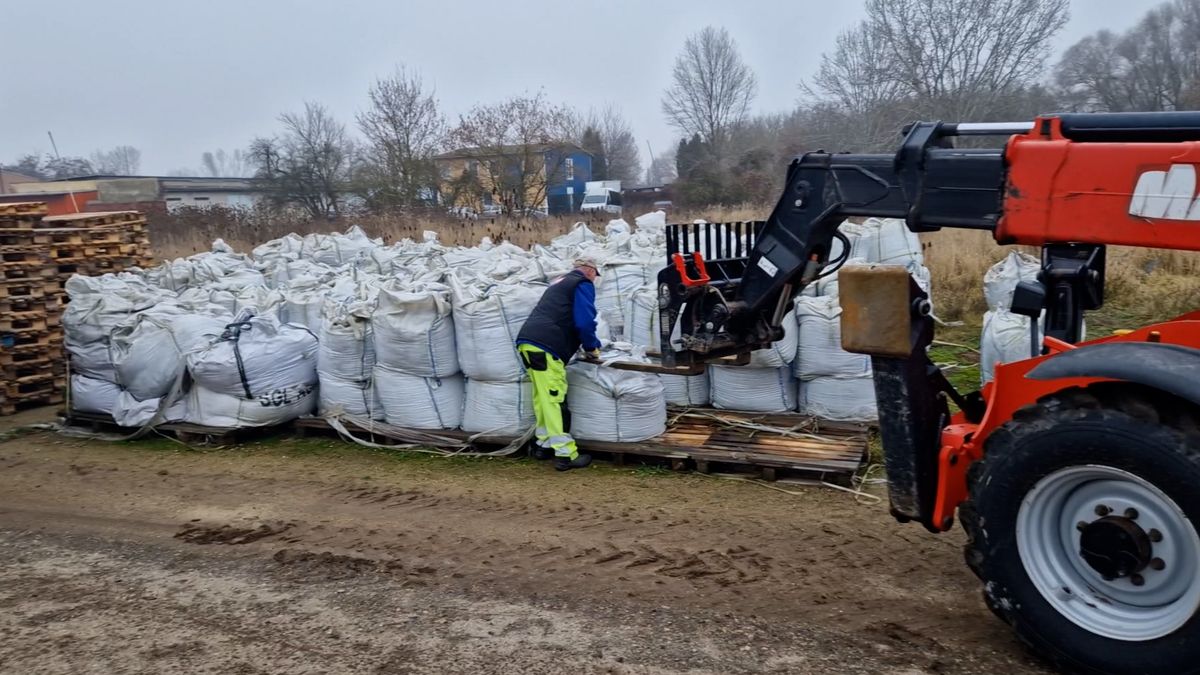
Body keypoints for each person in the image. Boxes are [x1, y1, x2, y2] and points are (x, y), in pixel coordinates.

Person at [515, 257, 603, 471]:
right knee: (554, 399)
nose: (595, 279)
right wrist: (591, 347)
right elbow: (584, 321)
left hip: (528, 343)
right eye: (596, 275)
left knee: (542, 397)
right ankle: (566, 454)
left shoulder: (560, 282)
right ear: (591, 271)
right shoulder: (582, 284)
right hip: (547, 346)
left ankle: (543, 445)